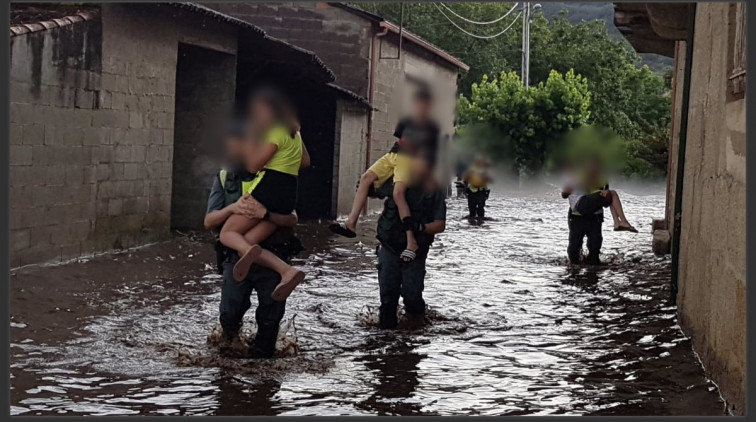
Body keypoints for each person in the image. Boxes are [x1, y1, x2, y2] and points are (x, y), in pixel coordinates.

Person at [205, 122, 303, 358]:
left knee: (271, 318)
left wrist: (266, 215)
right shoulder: (224, 177)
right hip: (237, 257)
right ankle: (228, 356)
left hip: (274, 251)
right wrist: (233, 208)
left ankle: (265, 376)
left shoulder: (274, 174)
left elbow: (292, 219)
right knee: (230, 312)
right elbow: (209, 221)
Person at [218, 88, 310, 302]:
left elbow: (252, 166)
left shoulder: (275, 132)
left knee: (227, 234)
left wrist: (250, 136)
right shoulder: (293, 133)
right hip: (288, 194)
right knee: (247, 244)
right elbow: (305, 162)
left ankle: (280, 271)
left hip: (269, 188)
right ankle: (286, 271)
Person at [330, 86, 440, 264]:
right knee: (366, 178)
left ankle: (411, 241)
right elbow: (400, 140)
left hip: (408, 159)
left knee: (398, 194)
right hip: (394, 155)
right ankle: (351, 223)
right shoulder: (407, 120)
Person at [371, 160, 446, 329]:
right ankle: (386, 339)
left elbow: (440, 225)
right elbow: (374, 187)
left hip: (416, 251)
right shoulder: (397, 181)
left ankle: (415, 331)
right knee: (388, 297)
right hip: (389, 246)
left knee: (412, 296)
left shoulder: (433, 190)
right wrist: (368, 187)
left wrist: (420, 227)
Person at [561, 158, 636, 265]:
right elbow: (564, 194)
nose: (594, 168)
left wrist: (604, 196)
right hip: (577, 217)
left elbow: (606, 203)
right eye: (591, 165)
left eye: (596, 166)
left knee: (595, 249)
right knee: (574, 250)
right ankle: (574, 269)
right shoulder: (578, 175)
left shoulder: (603, 180)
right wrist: (571, 189)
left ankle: (593, 270)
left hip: (595, 218)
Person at [462, 156, 492, 224]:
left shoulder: (484, 170)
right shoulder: (471, 169)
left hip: (481, 192)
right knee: (472, 210)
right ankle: (473, 220)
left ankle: (479, 220)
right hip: (472, 192)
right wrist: (463, 182)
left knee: (480, 209)